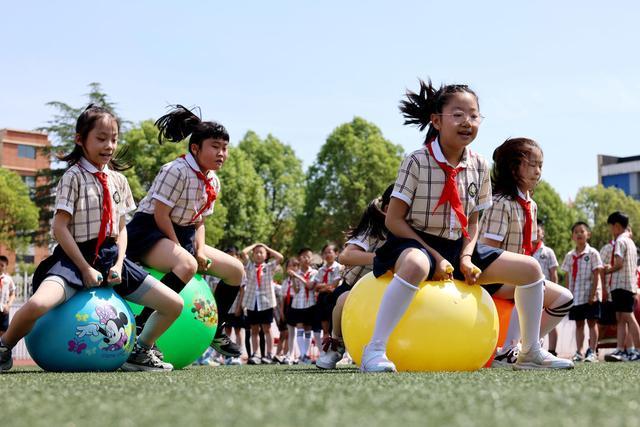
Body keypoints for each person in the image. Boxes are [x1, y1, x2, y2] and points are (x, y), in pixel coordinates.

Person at [360, 79, 574, 372]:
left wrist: (464, 257)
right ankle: (374, 350)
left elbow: (473, 220)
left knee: (531, 269)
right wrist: (434, 257)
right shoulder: (416, 161)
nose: (467, 122)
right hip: (412, 241)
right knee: (416, 265)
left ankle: (528, 351)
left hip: (457, 245)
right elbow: (394, 219)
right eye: (457, 115)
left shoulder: (479, 165)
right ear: (436, 121)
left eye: (473, 115)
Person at [0, 105, 183, 373]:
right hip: (74, 260)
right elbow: (59, 229)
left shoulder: (119, 180)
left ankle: (139, 352)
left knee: (173, 305)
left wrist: (120, 264)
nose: (109, 145)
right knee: (38, 303)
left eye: (114, 138)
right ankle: (4, 346)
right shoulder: (72, 177)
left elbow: (121, 229)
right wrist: (85, 268)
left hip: (111, 259)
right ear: (80, 139)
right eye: (101, 138)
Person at [125, 105, 244, 358]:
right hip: (150, 232)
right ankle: (143, 323)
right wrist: (181, 248)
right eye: (215, 146)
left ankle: (216, 329)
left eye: (225, 147)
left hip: (184, 233)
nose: (222, 153)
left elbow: (199, 221)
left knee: (236, 270)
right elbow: (160, 214)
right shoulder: (175, 170)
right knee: (187, 265)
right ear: (195, 148)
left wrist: (200, 249)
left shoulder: (213, 180)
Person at [479, 137, 574, 368]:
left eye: (540, 165)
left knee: (564, 299)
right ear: (513, 168)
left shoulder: (531, 205)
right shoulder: (500, 202)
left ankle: (522, 346)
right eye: (532, 165)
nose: (538, 171)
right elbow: (486, 250)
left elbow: (528, 251)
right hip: (490, 276)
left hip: (518, 278)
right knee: (531, 283)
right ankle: (511, 350)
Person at [317, 184, 392, 370]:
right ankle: (336, 343)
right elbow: (345, 256)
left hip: (389, 289)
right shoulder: (373, 232)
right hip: (356, 288)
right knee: (343, 299)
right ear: (387, 209)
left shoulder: (412, 230)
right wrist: (385, 260)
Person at [560, 222, 603, 362]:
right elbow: (567, 276)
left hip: (590, 294)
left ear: (588, 234)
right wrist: (568, 295)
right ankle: (579, 352)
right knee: (579, 324)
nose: (579, 234)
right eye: (576, 232)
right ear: (572, 236)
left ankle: (592, 352)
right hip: (576, 296)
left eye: (582, 231)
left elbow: (597, 274)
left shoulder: (593, 253)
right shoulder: (569, 255)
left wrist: (593, 294)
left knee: (592, 323)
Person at [603, 212, 640, 362]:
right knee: (620, 318)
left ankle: (637, 350)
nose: (611, 231)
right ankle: (621, 349)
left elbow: (618, 264)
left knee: (629, 317)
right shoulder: (630, 242)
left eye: (611, 227)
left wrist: (607, 269)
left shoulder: (620, 241)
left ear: (617, 226)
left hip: (622, 285)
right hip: (628, 285)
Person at [241, 243, 283, 365]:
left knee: (267, 328)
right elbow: (243, 253)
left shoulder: (269, 266)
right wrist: (255, 245)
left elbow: (280, 257)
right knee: (254, 329)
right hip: (252, 301)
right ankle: (257, 354)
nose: (259, 254)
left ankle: (269, 354)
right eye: (256, 252)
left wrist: (266, 247)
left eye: (261, 252)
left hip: (266, 302)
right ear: (253, 255)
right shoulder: (249, 266)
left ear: (266, 255)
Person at [531, 221, 561, 355]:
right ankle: (533, 348)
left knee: (549, 321)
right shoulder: (524, 249)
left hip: (546, 291)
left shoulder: (548, 252)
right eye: (532, 230)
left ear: (542, 234)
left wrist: (555, 291)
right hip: (529, 290)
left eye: (538, 231)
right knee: (531, 320)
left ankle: (552, 350)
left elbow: (554, 273)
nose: (535, 233)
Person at [311, 243, 343, 353]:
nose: (327, 254)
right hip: (322, 298)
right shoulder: (321, 270)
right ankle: (326, 344)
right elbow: (316, 287)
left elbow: (334, 286)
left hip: (334, 297)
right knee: (323, 319)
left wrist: (323, 286)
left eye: (330, 252)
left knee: (334, 321)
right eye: (325, 252)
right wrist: (326, 287)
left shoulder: (339, 267)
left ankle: (339, 348)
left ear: (336, 253)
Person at [288, 248, 317, 364]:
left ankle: (306, 355)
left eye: (308, 256)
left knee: (308, 328)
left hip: (310, 303)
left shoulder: (314, 273)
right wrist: (294, 278)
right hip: (298, 304)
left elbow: (310, 286)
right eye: (304, 256)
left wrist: (297, 276)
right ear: (299, 258)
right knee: (299, 327)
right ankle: (302, 355)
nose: (306, 259)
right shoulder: (296, 272)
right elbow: (295, 290)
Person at [282, 257, 300, 364]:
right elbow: (283, 297)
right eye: (289, 266)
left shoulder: (298, 279)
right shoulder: (285, 281)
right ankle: (291, 354)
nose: (291, 268)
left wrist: (294, 278)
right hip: (288, 305)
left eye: (294, 266)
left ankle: (299, 354)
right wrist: (281, 311)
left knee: (299, 331)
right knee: (290, 332)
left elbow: (297, 291)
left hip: (297, 304)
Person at [0, 256, 16, 335]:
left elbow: (13, 294)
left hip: (4, 310)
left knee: (3, 332)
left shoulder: (8, 279)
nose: (0, 267)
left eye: (2, 265)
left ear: (5, 267)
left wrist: (8, 305)